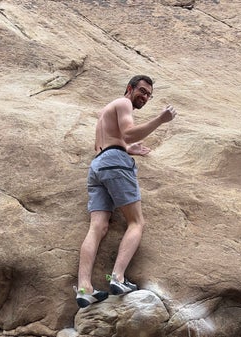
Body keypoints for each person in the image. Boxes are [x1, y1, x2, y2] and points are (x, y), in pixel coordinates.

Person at [74, 75, 178, 308]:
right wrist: (160, 119)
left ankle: (84, 289)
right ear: (129, 88)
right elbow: (129, 132)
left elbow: (106, 144)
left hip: (98, 165)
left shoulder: (105, 112)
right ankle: (118, 278)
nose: (144, 97)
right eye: (141, 91)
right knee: (136, 222)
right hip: (114, 163)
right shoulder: (123, 103)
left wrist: (127, 149)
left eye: (148, 95)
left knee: (98, 227)